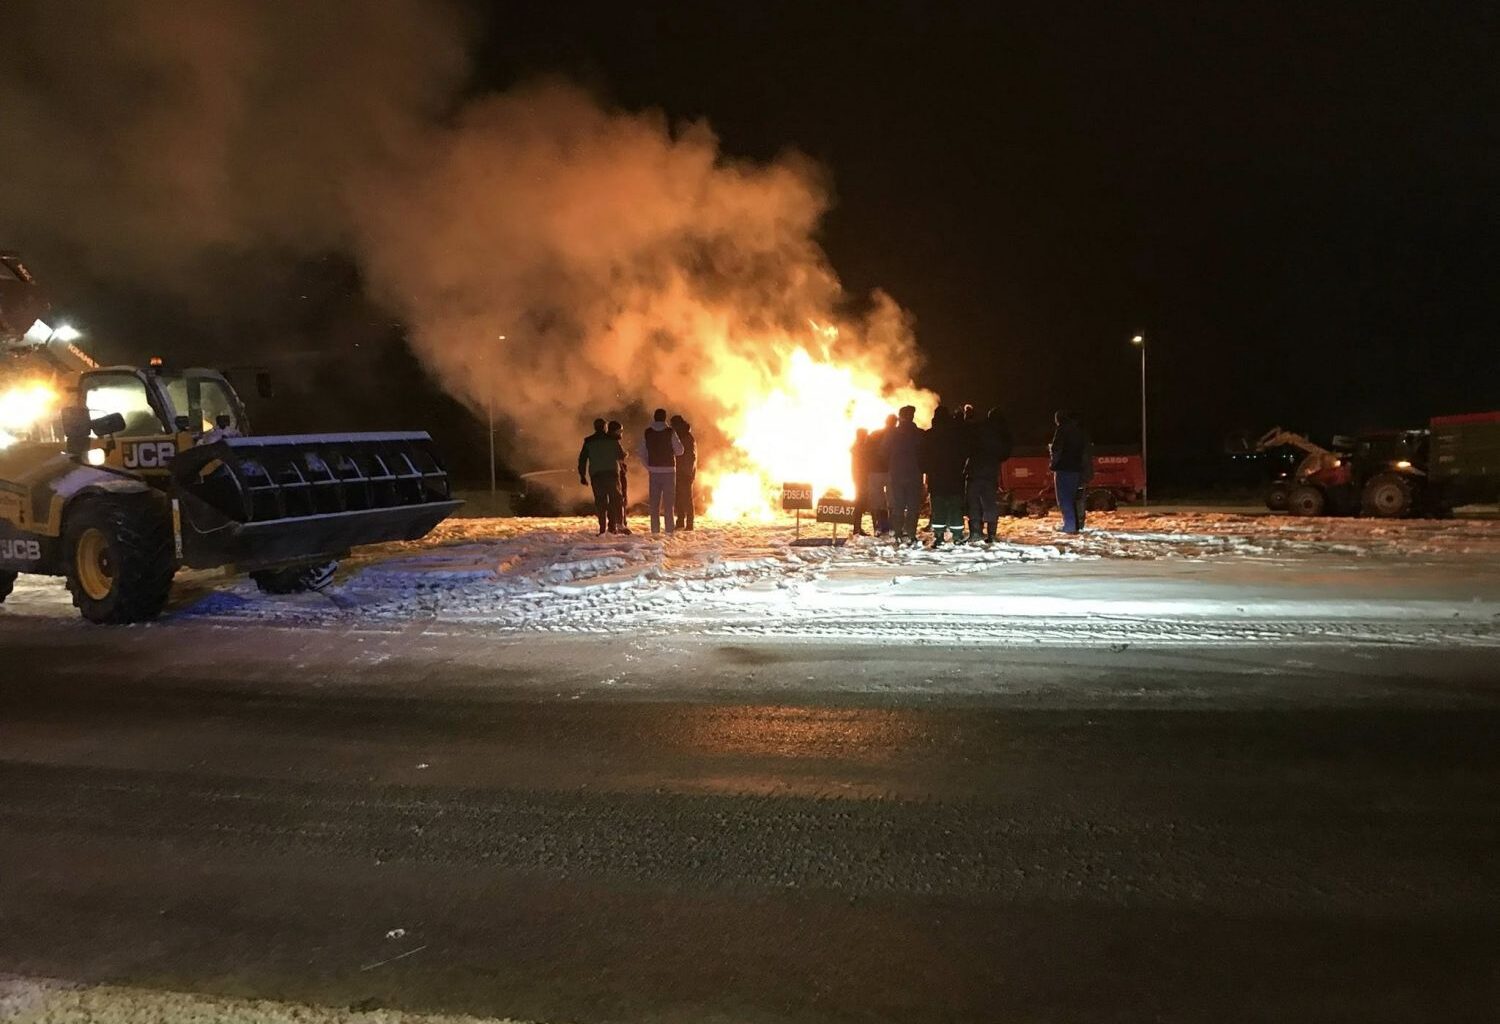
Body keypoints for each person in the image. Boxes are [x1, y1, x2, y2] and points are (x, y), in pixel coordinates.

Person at [964, 407, 1012, 544]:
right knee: (990, 503)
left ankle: (975, 532)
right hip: (990, 473)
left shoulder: (979, 428)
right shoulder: (1002, 433)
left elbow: (967, 442)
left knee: (973, 503)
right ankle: (991, 534)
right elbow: (1005, 453)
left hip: (974, 471)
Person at [923, 406, 967, 546]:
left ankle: (939, 536)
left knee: (938, 507)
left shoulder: (929, 435)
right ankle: (958, 535)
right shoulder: (957, 434)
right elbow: (964, 452)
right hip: (955, 477)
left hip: (936, 478)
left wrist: (927, 470)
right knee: (955, 506)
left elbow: (922, 456)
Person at [638, 408, 685, 535]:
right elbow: (680, 450)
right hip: (669, 470)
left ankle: (655, 531)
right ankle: (669, 531)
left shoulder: (647, 432)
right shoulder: (670, 432)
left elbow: (641, 452)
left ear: (654, 417)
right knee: (669, 504)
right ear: (665, 418)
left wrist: (648, 466)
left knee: (654, 504)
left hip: (654, 471)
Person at [577, 418, 625, 534]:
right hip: (611, 473)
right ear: (605, 427)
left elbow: (582, 460)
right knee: (615, 499)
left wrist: (582, 476)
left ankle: (602, 528)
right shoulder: (612, 440)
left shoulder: (588, 441)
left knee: (600, 501)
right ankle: (615, 525)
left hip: (596, 475)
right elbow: (620, 455)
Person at [886, 405, 926, 545]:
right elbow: (925, 453)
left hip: (896, 474)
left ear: (901, 417)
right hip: (914, 474)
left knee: (898, 505)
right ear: (912, 416)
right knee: (913, 506)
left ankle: (897, 533)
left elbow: (883, 451)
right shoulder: (919, 433)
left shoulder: (892, 433)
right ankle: (911, 533)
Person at [1049, 409, 1089, 534]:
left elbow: (1057, 449)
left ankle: (1069, 525)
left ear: (1058, 419)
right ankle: (1075, 524)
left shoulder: (1061, 430)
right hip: (1076, 470)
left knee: (1064, 498)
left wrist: (1053, 464)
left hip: (1063, 469)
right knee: (1072, 498)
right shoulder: (1078, 431)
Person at [866, 413, 897, 534]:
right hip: (891, 471)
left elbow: (867, 453)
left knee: (877, 501)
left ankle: (878, 526)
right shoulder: (898, 435)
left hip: (875, 471)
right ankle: (892, 526)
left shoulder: (875, 434)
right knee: (893, 500)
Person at [669, 414, 697, 530]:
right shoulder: (684, 436)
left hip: (685, 472)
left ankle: (689, 524)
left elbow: (691, 456)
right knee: (679, 498)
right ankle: (681, 521)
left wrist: (688, 472)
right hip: (681, 471)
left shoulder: (686, 438)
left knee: (686, 498)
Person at [607, 420, 631, 534]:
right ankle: (620, 524)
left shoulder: (605, 441)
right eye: (619, 431)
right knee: (619, 498)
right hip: (617, 473)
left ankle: (612, 525)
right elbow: (620, 456)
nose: (621, 433)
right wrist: (625, 454)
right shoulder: (614, 442)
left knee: (612, 500)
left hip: (609, 473)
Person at [850, 427, 872, 536]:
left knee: (859, 503)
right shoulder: (860, 448)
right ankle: (857, 528)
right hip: (861, 478)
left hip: (859, 478)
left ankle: (857, 527)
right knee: (859, 503)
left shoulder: (856, 447)